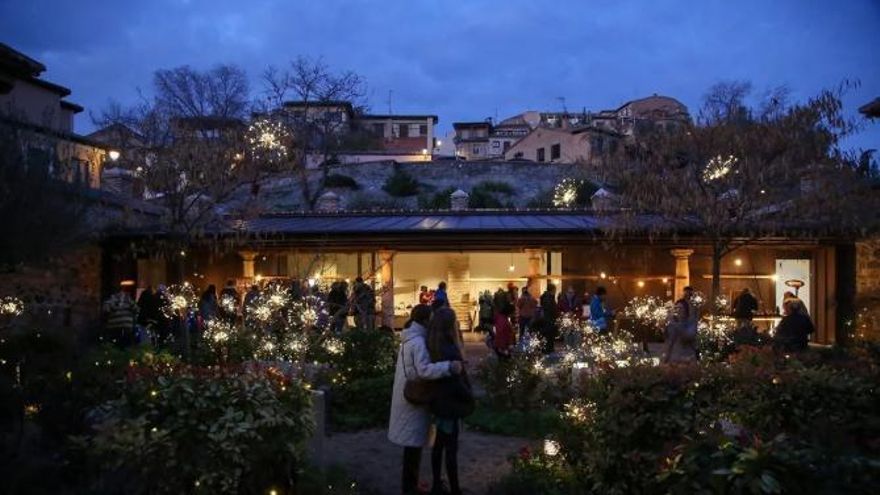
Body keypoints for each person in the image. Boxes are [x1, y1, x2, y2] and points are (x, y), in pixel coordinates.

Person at [389, 305, 463, 495]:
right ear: (424, 320)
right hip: (413, 401)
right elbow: (423, 370)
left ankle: (410, 486)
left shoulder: (409, 338)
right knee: (413, 448)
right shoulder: (419, 342)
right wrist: (448, 367)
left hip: (406, 399)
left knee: (411, 448)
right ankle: (410, 488)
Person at [427, 307, 473, 495]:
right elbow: (455, 380)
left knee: (438, 445)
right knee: (450, 448)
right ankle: (454, 489)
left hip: (438, 401)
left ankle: (437, 484)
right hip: (451, 402)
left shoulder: (432, 344)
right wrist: (468, 395)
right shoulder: (450, 347)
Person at [663, 297, 698, 363]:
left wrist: (675, 324)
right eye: (676, 308)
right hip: (673, 358)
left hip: (687, 358)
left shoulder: (691, 322)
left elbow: (688, 336)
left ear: (685, 310)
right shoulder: (672, 323)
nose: (678, 310)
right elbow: (669, 341)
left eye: (681, 308)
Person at [538, 284, 559, 353]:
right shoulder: (549, 297)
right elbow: (551, 309)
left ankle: (548, 348)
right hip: (549, 320)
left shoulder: (546, 297)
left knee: (548, 335)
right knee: (549, 335)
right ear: (553, 289)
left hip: (547, 319)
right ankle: (548, 349)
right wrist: (556, 315)